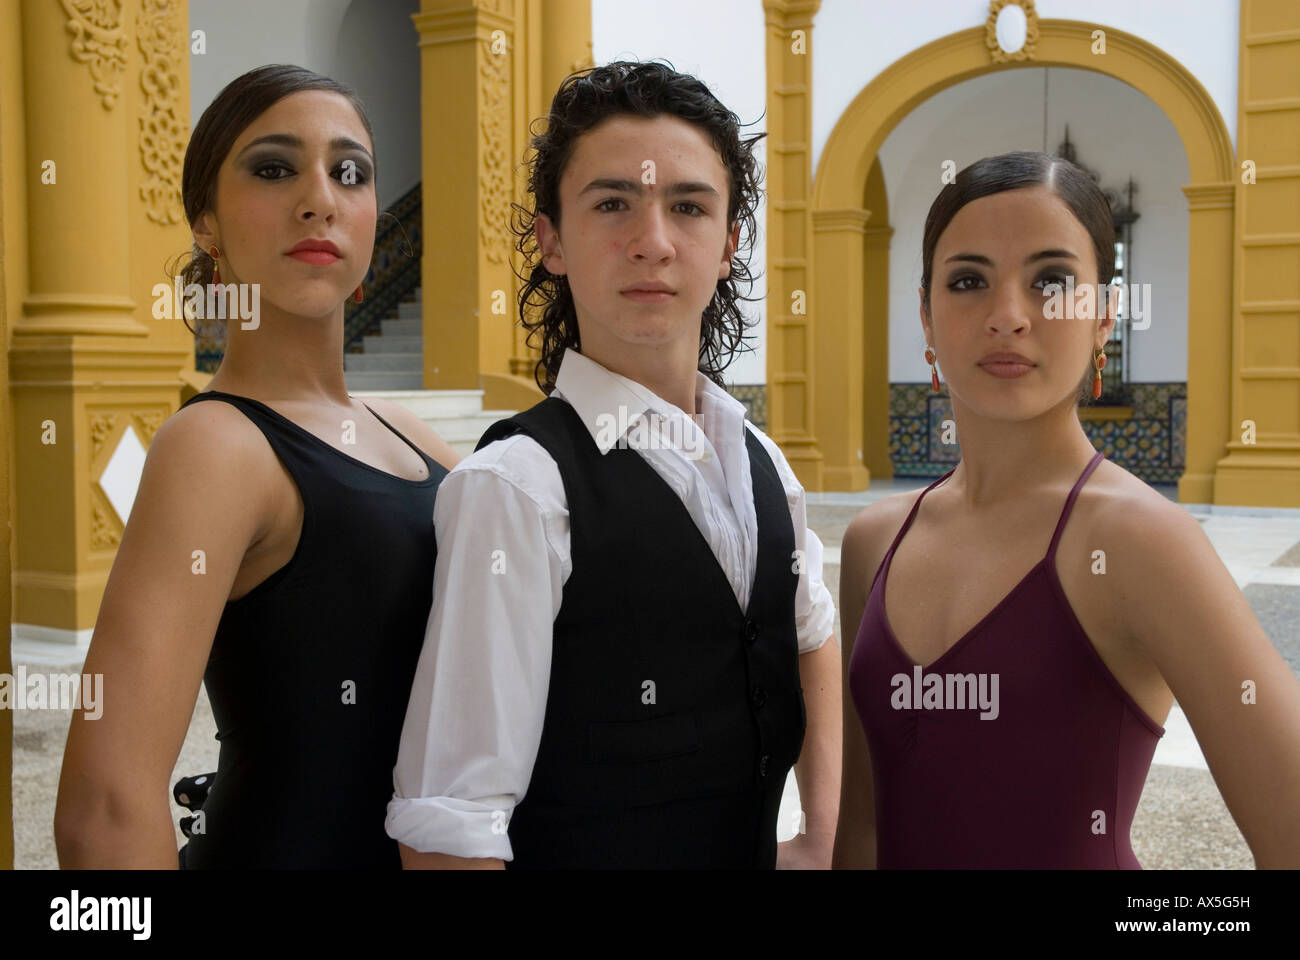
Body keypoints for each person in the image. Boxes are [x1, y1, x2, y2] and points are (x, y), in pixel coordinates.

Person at [386, 60, 841, 869]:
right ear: (551, 239)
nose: (654, 243)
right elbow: (452, 821)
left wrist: (820, 835)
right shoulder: (518, 487)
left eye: (690, 206)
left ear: (731, 242)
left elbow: (811, 636)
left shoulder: (765, 462)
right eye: (613, 205)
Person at [833, 151, 1300, 869]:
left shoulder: (1142, 540)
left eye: (1051, 281)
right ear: (925, 315)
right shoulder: (874, 541)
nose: (1009, 317)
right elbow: (861, 830)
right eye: (969, 281)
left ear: (1103, 317)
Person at [54, 64, 459, 868]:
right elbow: (104, 809)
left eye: (351, 172)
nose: (321, 197)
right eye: (274, 168)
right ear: (207, 221)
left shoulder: (412, 434)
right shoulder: (216, 446)